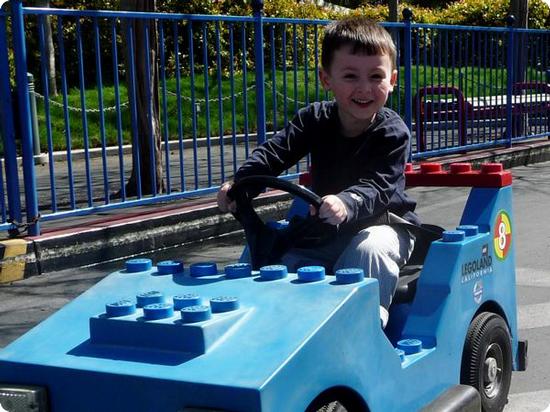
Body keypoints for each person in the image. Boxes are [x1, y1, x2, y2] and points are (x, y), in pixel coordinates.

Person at [217, 16, 419, 328]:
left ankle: (364, 328)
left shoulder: (392, 132)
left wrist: (347, 201)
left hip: (385, 225)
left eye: (376, 76)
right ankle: (257, 327)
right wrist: (240, 185)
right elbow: (275, 152)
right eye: (350, 76)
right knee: (276, 258)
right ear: (327, 79)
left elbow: (379, 186)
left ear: (392, 80)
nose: (365, 88)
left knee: (370, 247)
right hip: (328, 231)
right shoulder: (313, 120)